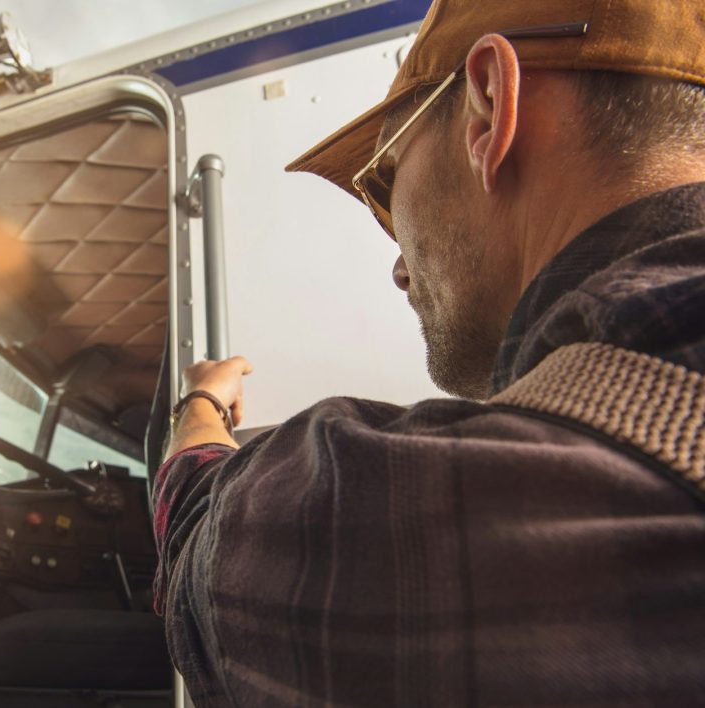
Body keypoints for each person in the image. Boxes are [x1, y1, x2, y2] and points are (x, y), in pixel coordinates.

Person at [152, 0, 705, 706]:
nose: (400, 269)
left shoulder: (441, 505)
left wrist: (200, 401)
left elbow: (198, 524)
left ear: (488, 110)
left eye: (383, 182)